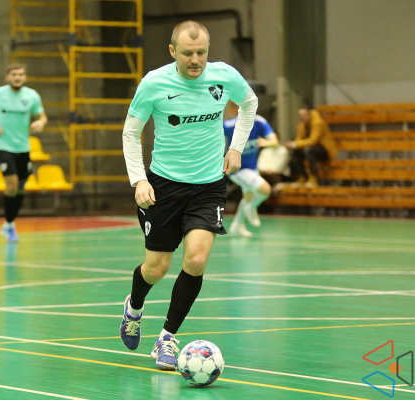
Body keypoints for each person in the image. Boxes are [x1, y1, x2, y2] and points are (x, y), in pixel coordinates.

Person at [120, 20, 257, 370]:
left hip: (209, 185)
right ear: (172, 51)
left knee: (196, 260)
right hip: (163, 186)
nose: (195, 60)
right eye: (187, 53)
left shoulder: (224, 76)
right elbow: (131, 132)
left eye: (201, 53)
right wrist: (139, 180)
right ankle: (134, 308)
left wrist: (236, 147)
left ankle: (166, 339)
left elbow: (249, 103)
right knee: (156, 268)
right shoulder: (154, 83)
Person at [0, 63, 47, 242]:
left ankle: (8, 223)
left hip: (23, 147)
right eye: (14, 74)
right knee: (11, 185)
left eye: (20, 74)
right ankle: (10, 224)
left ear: (24, 77)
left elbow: (42, 116)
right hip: (4, 145)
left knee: (21, 187)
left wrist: (40, 123)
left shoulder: (32, 96)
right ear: (7, 77)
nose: (17, 77)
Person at [223, 101, 278, 237]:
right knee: (265, 190)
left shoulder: (259, 122)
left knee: (248, 197)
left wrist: (266, 142)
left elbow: (274, 142)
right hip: (237, 169)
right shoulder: (229, 125)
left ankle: (237, 226)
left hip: (252, 168)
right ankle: (250, 208)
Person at [284, 106, 337, 187]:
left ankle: (313, 177)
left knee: (309, 150)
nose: (302, 118)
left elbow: (313, 141)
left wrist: (294, 144)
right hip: (310, 149)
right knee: (296, 152)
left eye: (304, 115)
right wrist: (293, 145)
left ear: (309, 114)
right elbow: (298, 140)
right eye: (301, 116)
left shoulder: (318, 122)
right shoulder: (302, 125)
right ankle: (302, 176)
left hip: (324, 150)